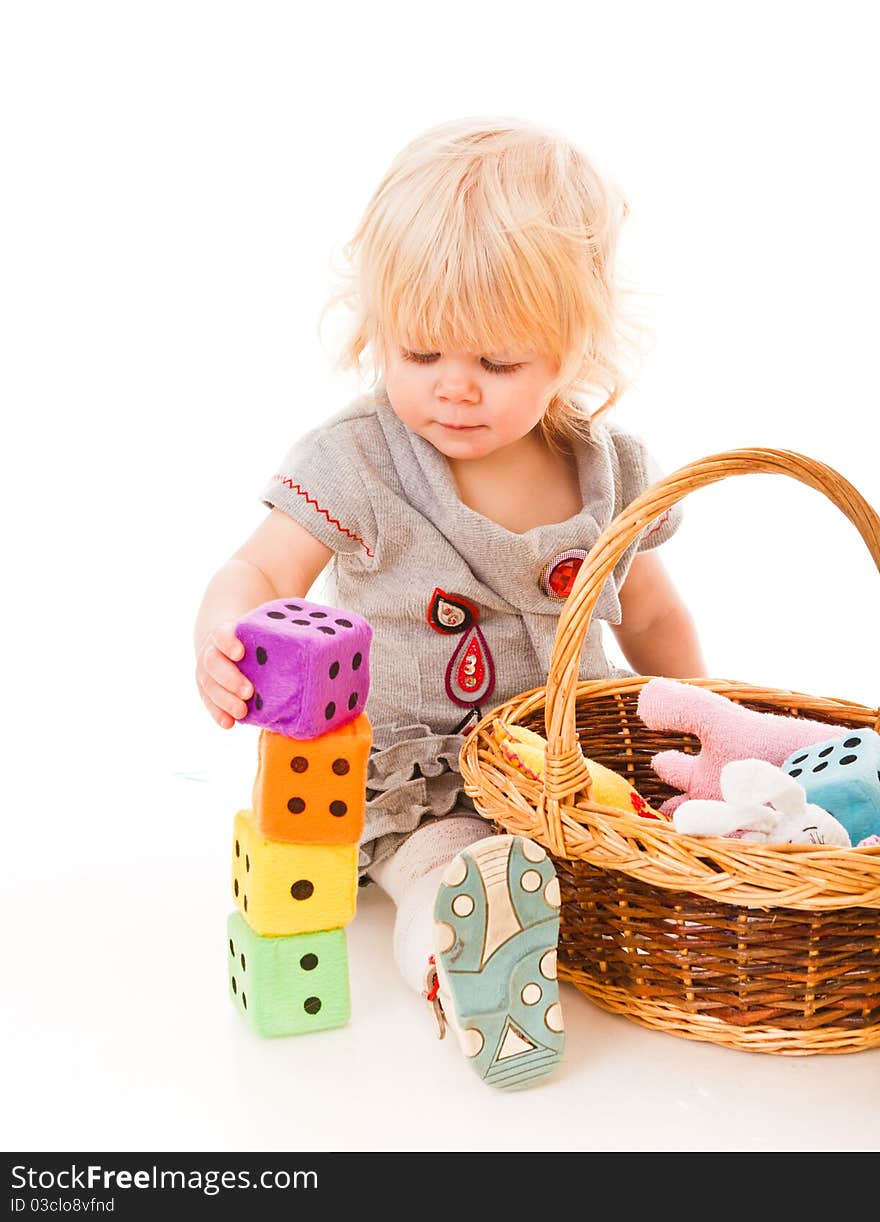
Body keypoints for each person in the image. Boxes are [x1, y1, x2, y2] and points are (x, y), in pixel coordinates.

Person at [194, 115, 706, 1088]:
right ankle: (460, 951)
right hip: (425, 771)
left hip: (569, 761)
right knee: (445, 860)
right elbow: (261, 572)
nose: (453, 390)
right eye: (419, 352)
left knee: (646, 845)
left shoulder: (609, 469)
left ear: (570, 349)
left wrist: (705, 721)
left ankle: (617, 924)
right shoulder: (357, 461)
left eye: (497, 363)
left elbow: (653, 619)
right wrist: (223, 631)